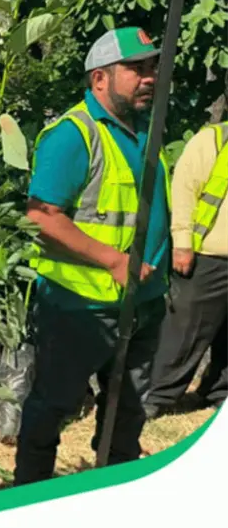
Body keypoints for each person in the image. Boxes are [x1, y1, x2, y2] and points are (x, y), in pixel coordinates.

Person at [16, 26, 171, 485]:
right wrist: (113, 260)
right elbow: (41, 220)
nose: (149, 77)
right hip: (78, 309)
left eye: (151, 68)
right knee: (51, 412)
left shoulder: (147, 130)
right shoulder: (73, 135)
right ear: (99, 78)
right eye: (135, 68)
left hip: (142, 305)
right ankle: (30, 501)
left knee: (128, 418)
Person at [142, 120, 228, 418]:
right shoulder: (213, 141)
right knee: (185, 331)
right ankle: (158, 395)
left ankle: (218, 391)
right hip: (207, 255)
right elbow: (184, 191)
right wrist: (182, 242)